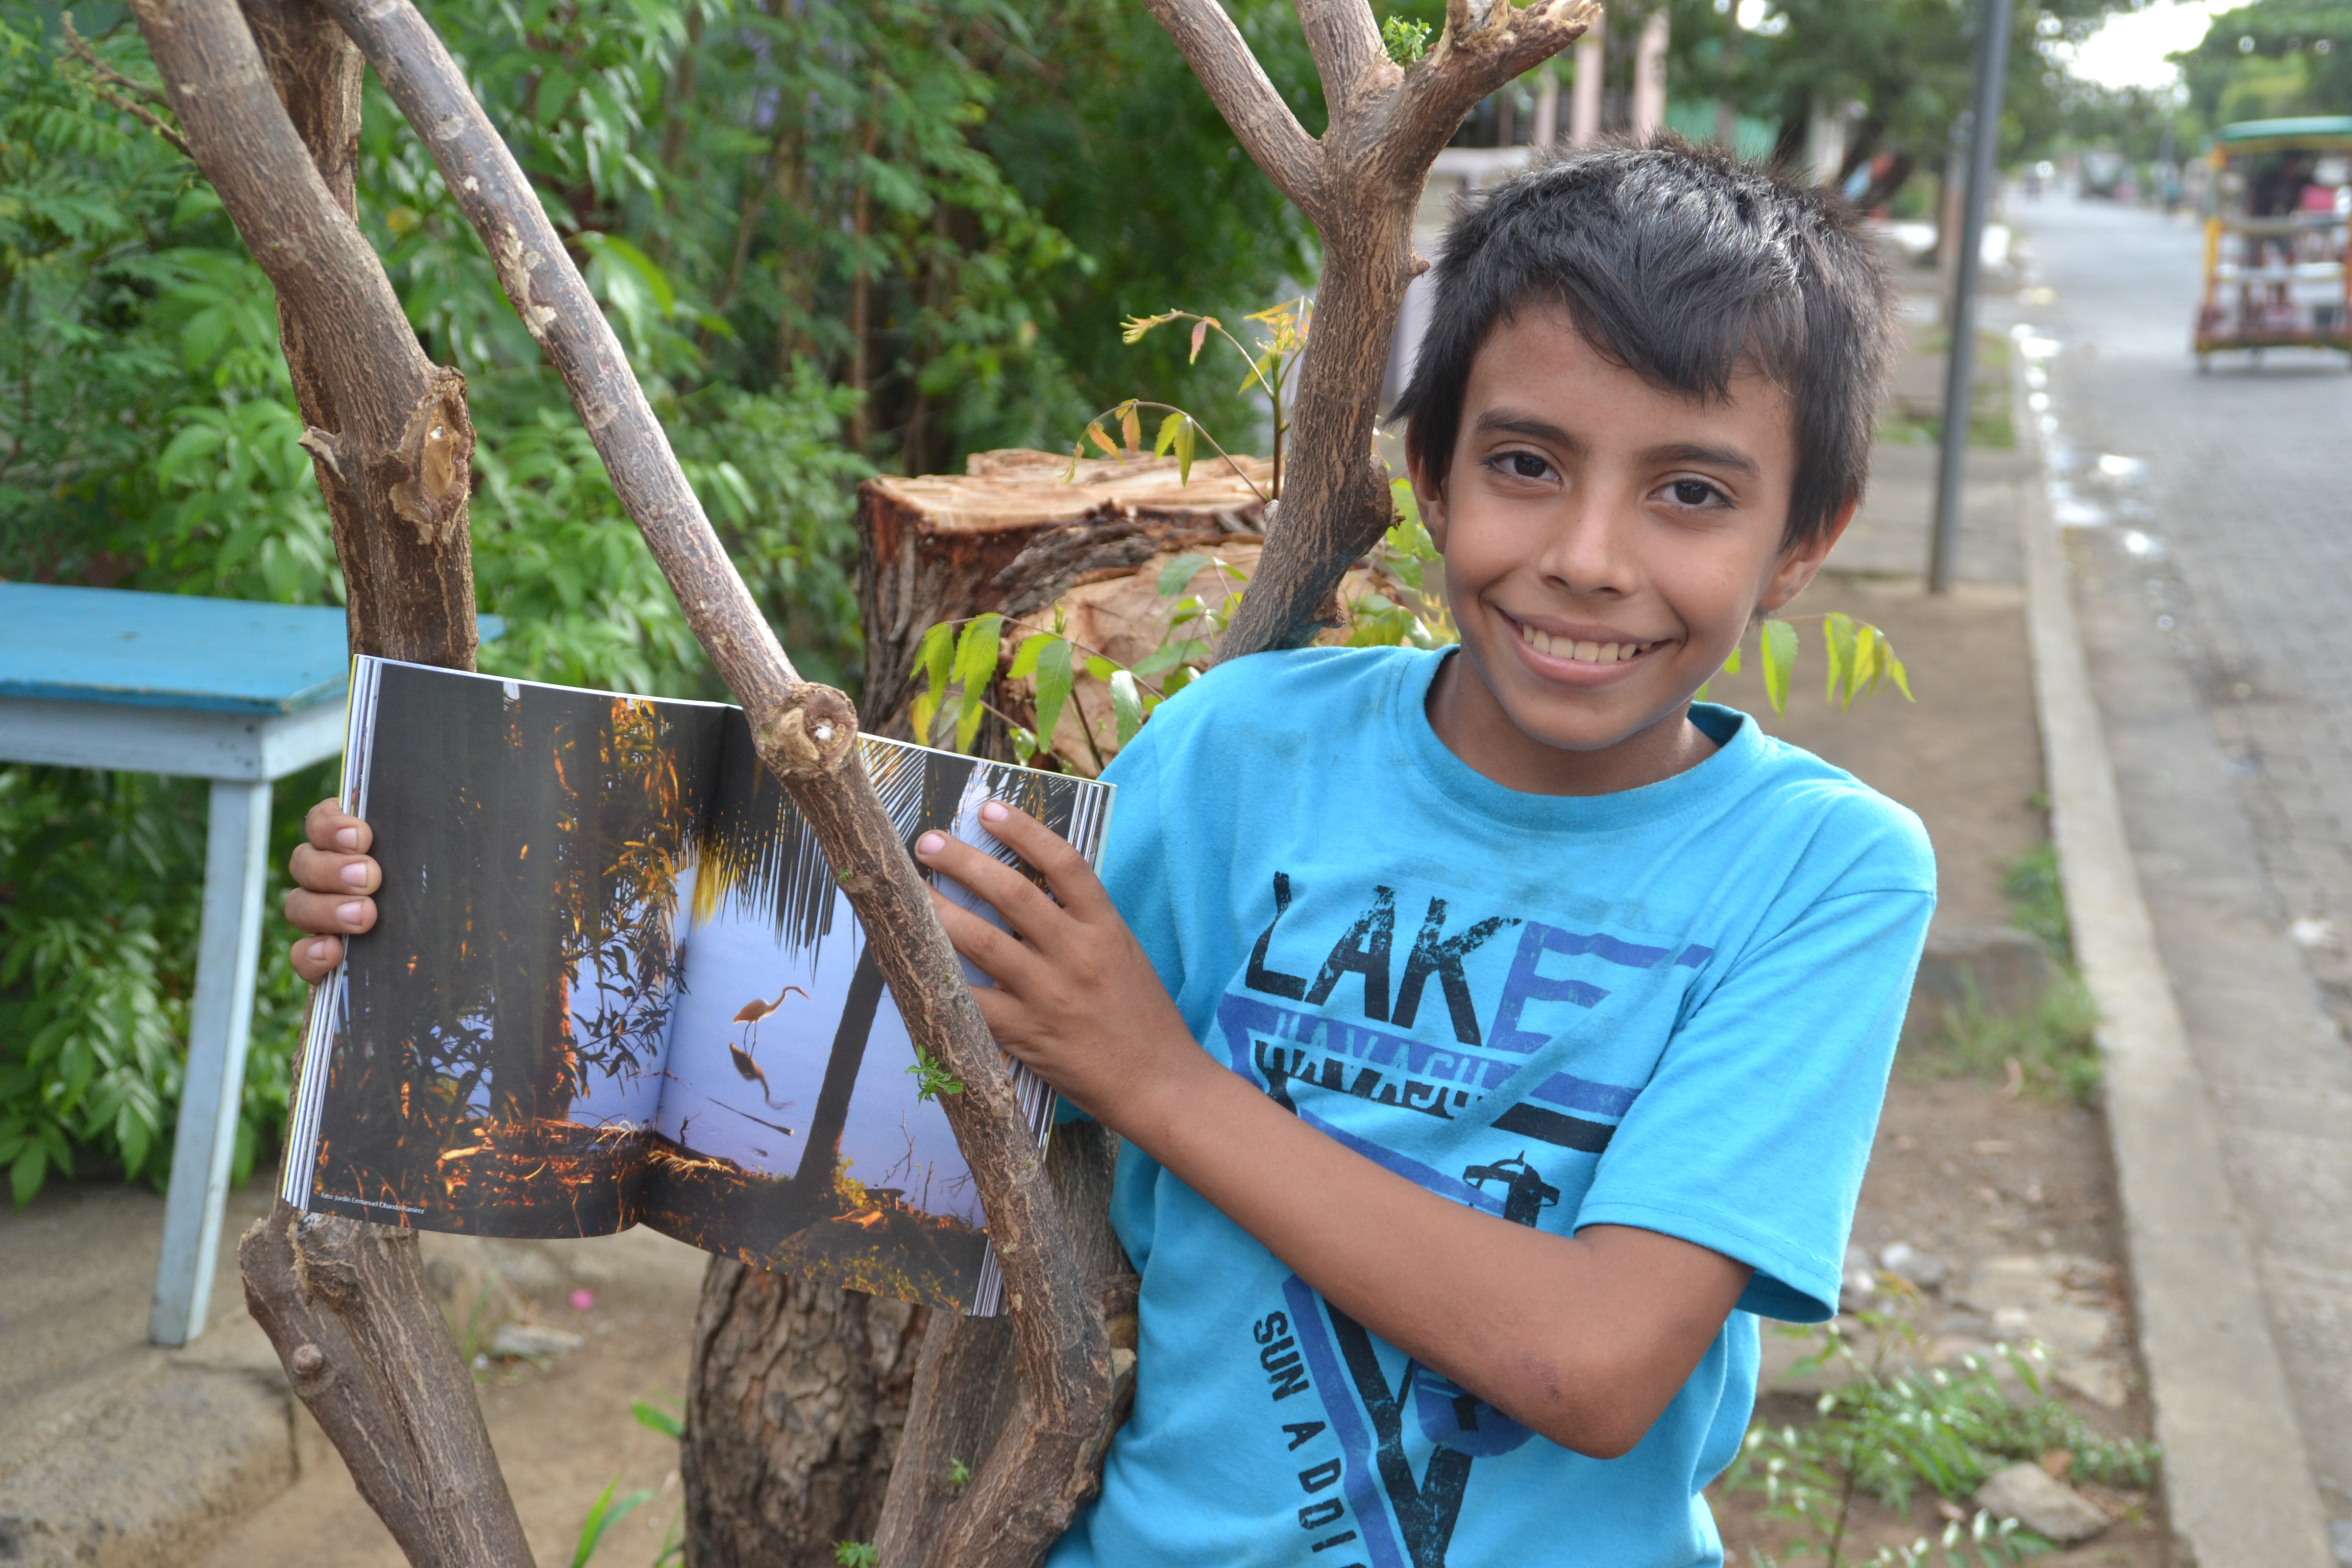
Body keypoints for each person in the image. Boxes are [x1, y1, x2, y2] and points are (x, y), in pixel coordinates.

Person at [284, 137, 1933, 1565]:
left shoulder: (1822, 873)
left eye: (1692, 493)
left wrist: (1161, 1082)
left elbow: (1596, 1364)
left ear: (1805, 544)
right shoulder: (1241, 753)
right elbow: (823, 1051)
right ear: (1427, 477)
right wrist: (442, 910)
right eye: (1525, 464)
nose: (1587, 557)